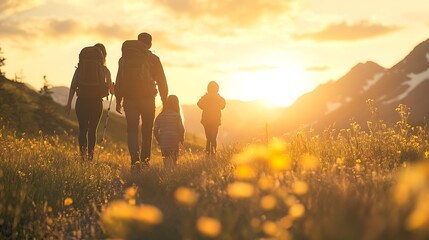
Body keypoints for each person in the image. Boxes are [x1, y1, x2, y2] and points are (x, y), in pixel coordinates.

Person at [115, 32, 168, 169]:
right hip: (147, 99)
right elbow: (162, 81)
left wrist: (118, 100)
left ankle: (134, 161)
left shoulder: (124, 59)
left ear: (138, 42)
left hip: (129, 99)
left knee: (132, 130)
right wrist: (165, 100)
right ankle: (145, 162)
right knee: (146, 131)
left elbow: (119, 80)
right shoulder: (153, 59)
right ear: (150, 44)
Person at [66, 43, 114, 160]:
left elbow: (73, 85)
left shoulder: (80, 69)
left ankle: (82, 157)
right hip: (96, 102)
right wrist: (112, 87)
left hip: (81, 101)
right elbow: (112, 90)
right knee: (92, 130)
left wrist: (68, 104)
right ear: (103, 56)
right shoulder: (105, 70)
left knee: (82, 129)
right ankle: (90, 157)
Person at [154, 95, 185, 169]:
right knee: (174, 159)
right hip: (174, 139)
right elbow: (181, 129)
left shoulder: (160, 115)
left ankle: (166, 173)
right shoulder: (177, 116)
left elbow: (155, 129)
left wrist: (159, 139)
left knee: (166, 159)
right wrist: (181, 138)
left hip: (164, 140)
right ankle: (172, 174)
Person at [197, 81, 226, 156]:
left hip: (206, 121)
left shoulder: (206, 97)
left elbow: (199, 104)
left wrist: (205, 100)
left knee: (209, 137)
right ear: (217, 89)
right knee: (213, 137)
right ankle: (213, 154)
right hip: (215, 120)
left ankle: (208, 153)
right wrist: (217, 97)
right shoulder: (218, 98)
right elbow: (223, 105)